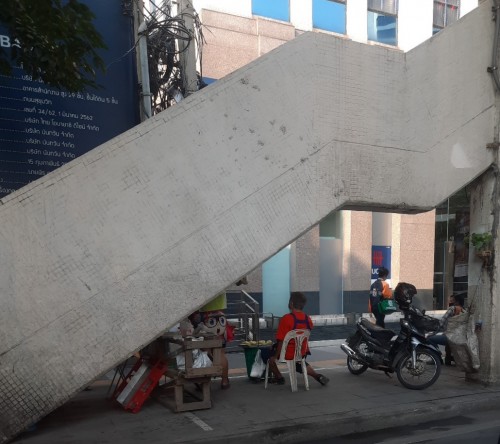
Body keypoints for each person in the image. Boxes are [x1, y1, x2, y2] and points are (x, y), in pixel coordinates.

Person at [262, 291, 329, 386]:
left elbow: (281, 341)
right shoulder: (308, 319)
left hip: (287, 353)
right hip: (301, 353)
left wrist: (275, 356)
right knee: (298, 362)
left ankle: (279, 377)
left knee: (264, 352)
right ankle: (316, 375)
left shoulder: (286, 319)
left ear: (291, 304)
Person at [428, 293, 466, 365]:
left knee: (429, 338)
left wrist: (433, 332)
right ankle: (448, 359)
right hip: (459, 338)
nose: (451, 302)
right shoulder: (465, 311)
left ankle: (437, 359)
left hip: (450, 337)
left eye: (453, 300)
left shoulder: (452, 309)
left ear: (457, 301)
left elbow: (441, 323)